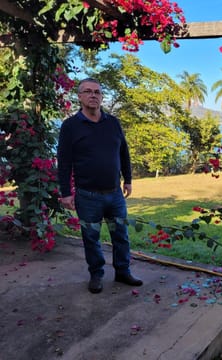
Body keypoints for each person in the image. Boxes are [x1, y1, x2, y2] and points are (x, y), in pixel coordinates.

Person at [57, 77, 143, 294]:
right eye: (88, 91)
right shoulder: (70, 126)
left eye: (97, 92)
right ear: (80, 96)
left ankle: (123, 272)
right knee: (91, 238)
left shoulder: (113, 123)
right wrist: (66, 193)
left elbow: (124, 152)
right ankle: (96, 274)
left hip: (115, 195)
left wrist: (129, 179)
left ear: (102, 97)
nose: (93, 95)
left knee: (120, 235)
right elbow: (64, 161)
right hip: (88, 197)